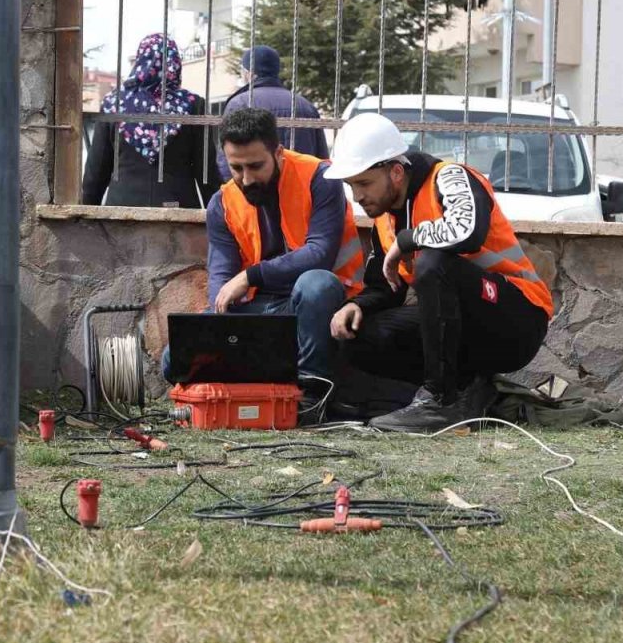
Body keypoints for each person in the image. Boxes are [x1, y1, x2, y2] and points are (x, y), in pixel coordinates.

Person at [323, 113, 553, 432]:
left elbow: (467, 231)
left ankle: (440, 401)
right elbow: (387, 287)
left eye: (364, 183)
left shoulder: (449, 178)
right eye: (351, 186)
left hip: (518, 320)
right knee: (360, 336)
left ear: (396, 171)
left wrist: (407, 240)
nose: (358, 197)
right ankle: (465, 391)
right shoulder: (384, 218)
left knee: (434, 263)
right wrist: (356, 306)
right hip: (467, 331)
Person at [162, 108, 364, 413]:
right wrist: (223, 329)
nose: (247, 178)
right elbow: (221, 280)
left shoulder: (321, 178)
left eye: (256, 166)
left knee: (316, 284)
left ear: (279, 153)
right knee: (171, 359)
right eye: (236, 167)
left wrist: (250, 277)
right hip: (258, 314)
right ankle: (251, 383)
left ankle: (310, 396)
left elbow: (319, 254)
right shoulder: (222, 203)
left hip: (316, 308)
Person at [82, 33, 220, 208]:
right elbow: (206, 172)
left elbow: (97, 169)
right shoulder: (193, 104)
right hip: (179, 212)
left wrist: (86, 212)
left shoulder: (114, 104)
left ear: (140, 60)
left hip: (122, 210)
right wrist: (219, 219)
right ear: (175, 63)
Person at [218, 45, 327, 180]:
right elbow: (322, 159)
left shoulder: (240, 103)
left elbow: (228, 158)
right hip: (301, 188)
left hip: (254, 189)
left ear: (249, 73)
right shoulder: (304, 105)